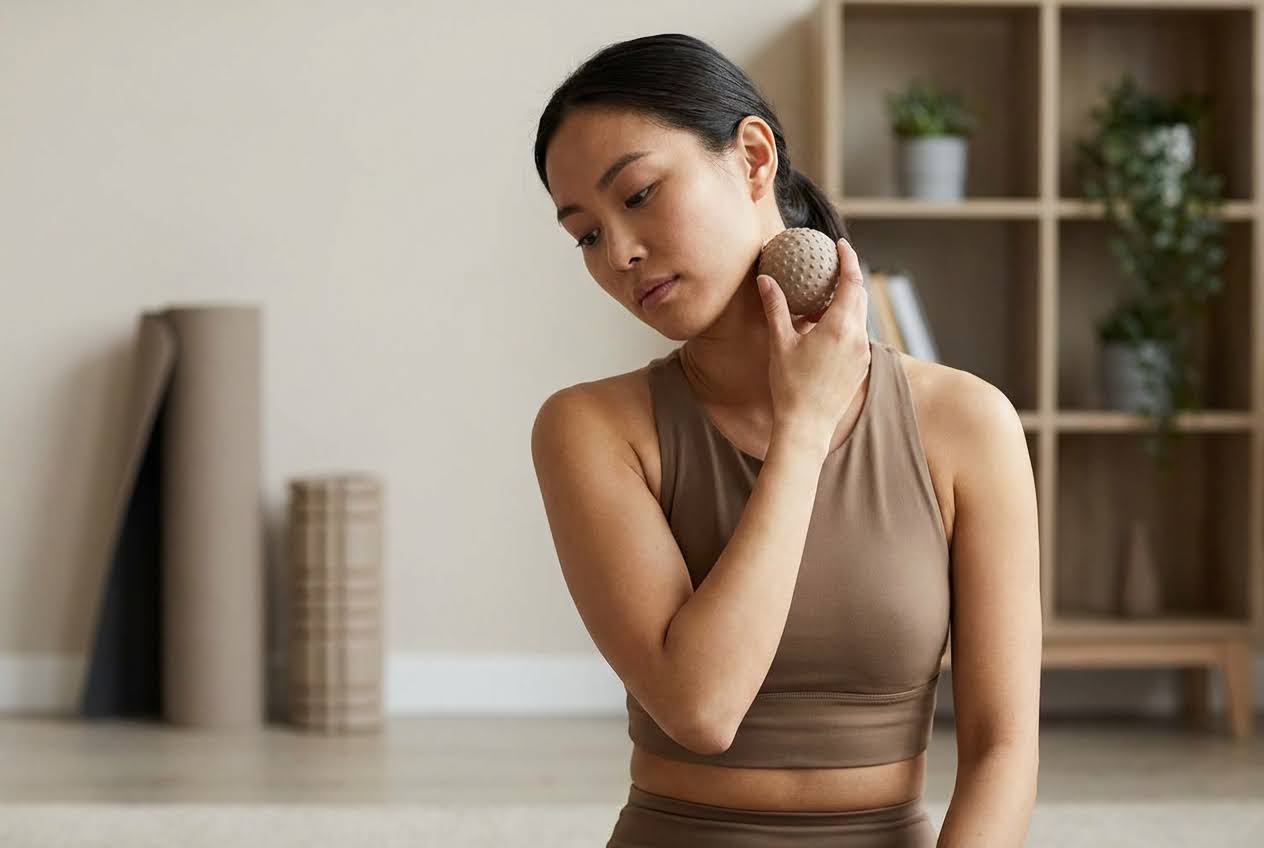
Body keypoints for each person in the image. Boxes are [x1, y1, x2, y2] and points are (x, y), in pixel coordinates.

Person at [530, 32, 1040, 847]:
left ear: (755, 157)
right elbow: (702, 709)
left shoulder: (967, 423)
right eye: (585, 234)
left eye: (638, 196)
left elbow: (1003, 749)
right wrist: (802, 432)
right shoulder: (591, 428)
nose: (619, 252)